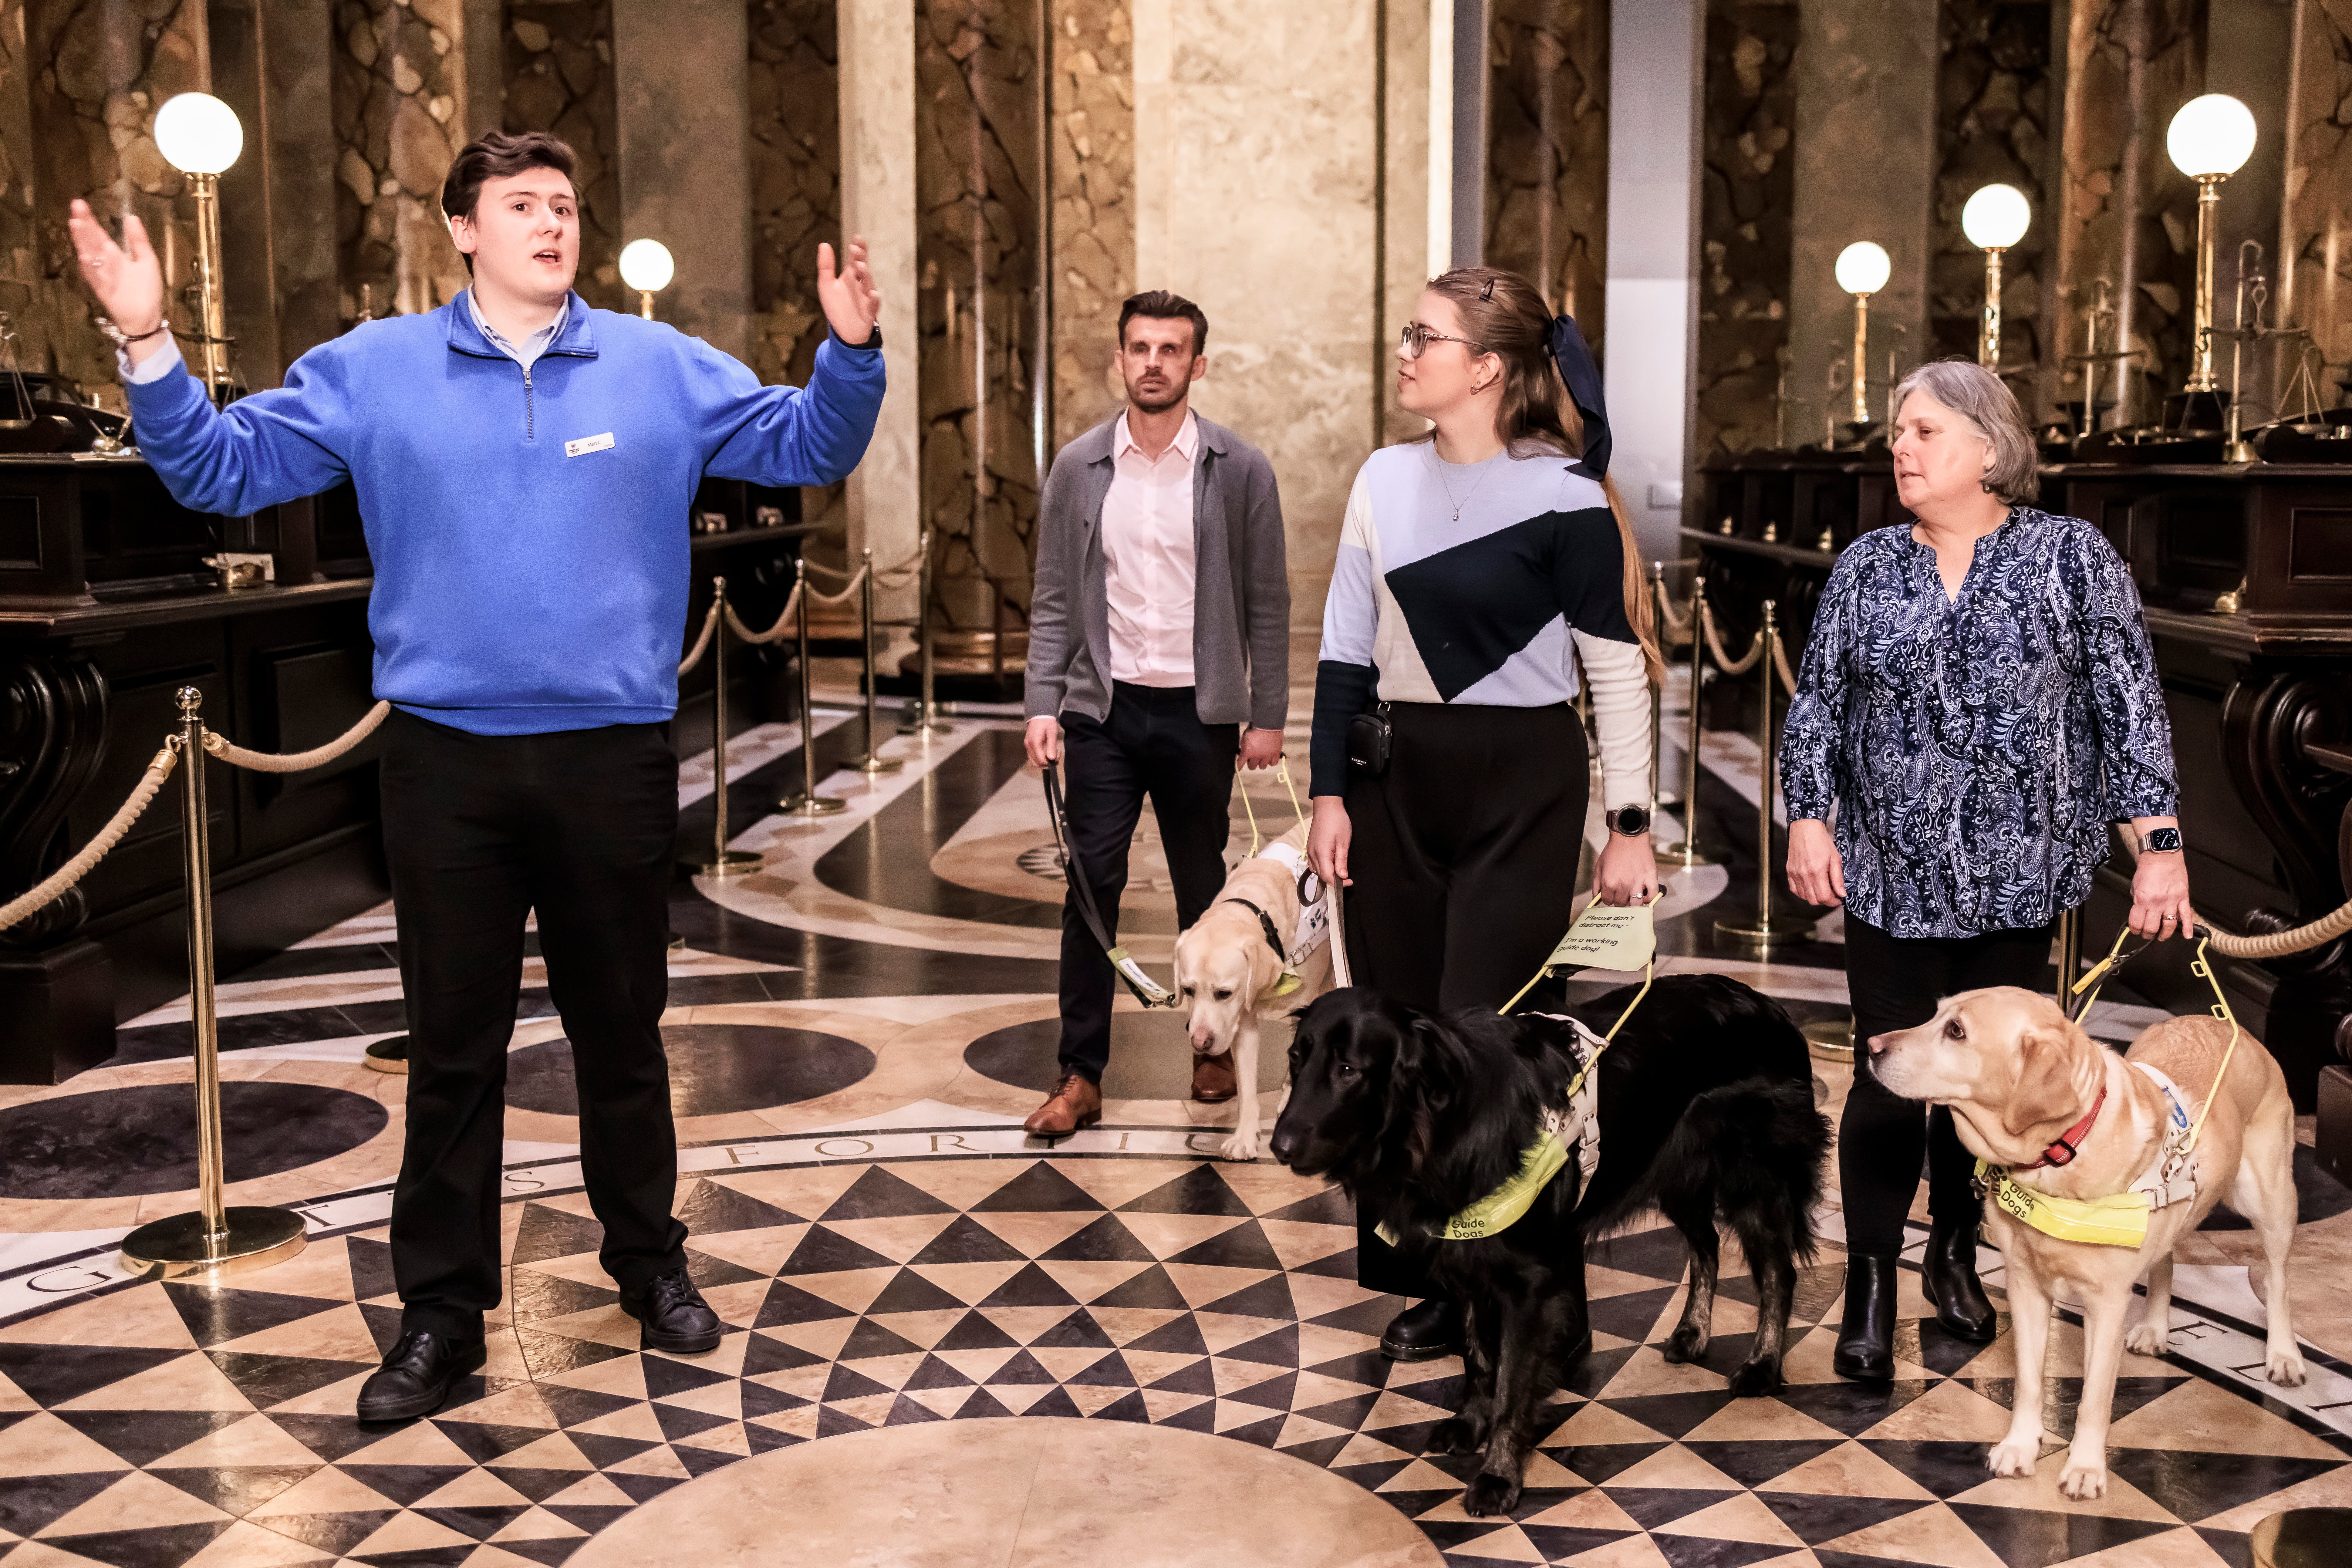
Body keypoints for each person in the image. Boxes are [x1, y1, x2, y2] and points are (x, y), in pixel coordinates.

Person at [67, 130, 887, 1420]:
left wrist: (849, 354)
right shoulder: (376, 370)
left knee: (622, 1035)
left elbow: (806, 448)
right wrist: (149, 344)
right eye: (523, 205)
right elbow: (218, 469)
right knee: (457, 1050)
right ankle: (441, 1318)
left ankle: (649, 1264)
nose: (553, 224)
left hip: (610, 755)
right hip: (446, 762)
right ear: (462, 227)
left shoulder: (658, 364)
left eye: (566, 204)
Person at [1780, 357, 2190, 1380]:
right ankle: (1872, 1283)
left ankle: (1956, 1257)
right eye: (1898, 433)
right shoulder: (1868, 565)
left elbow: (2128, 709)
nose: (1900, 449)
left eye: (1921, 431)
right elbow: (1819, 702)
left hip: (2023, 872)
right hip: (1889, 869)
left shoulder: (2070, 559)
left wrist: (2161, 849)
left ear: (1987, 446)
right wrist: (1806, 818)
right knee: (1886, 1080)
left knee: (1993, 1091)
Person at [1306, 267, 1662, 1362]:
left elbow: (1615, 673)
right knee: (1393, 1030)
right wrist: (1327, 791)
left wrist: (1632, 822)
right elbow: (1341, 648)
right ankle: (1424, 1272)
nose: (1405, 349)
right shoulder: (1380, 475)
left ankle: (1530, 1289)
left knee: (1493, 1040)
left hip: (1524, 781)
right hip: (1392, 779)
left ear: (1488, 368)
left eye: (1426, 335)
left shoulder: (1566, 494)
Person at [1021, 290, 1289, 1136]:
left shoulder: (1239, 469)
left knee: (1202, 887)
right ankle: (1080, 1073)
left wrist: (1265, 714)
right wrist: (1042, 703)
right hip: (1102, 709)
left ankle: (1211, 1048)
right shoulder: (1079, 467)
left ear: (1196, 365)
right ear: (1119, 358)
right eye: (1139, 347)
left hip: (1197, 713)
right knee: (1089, 886)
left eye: (1171, 349)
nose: (1153, 363)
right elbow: (1054, 596)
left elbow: (1268, 602)